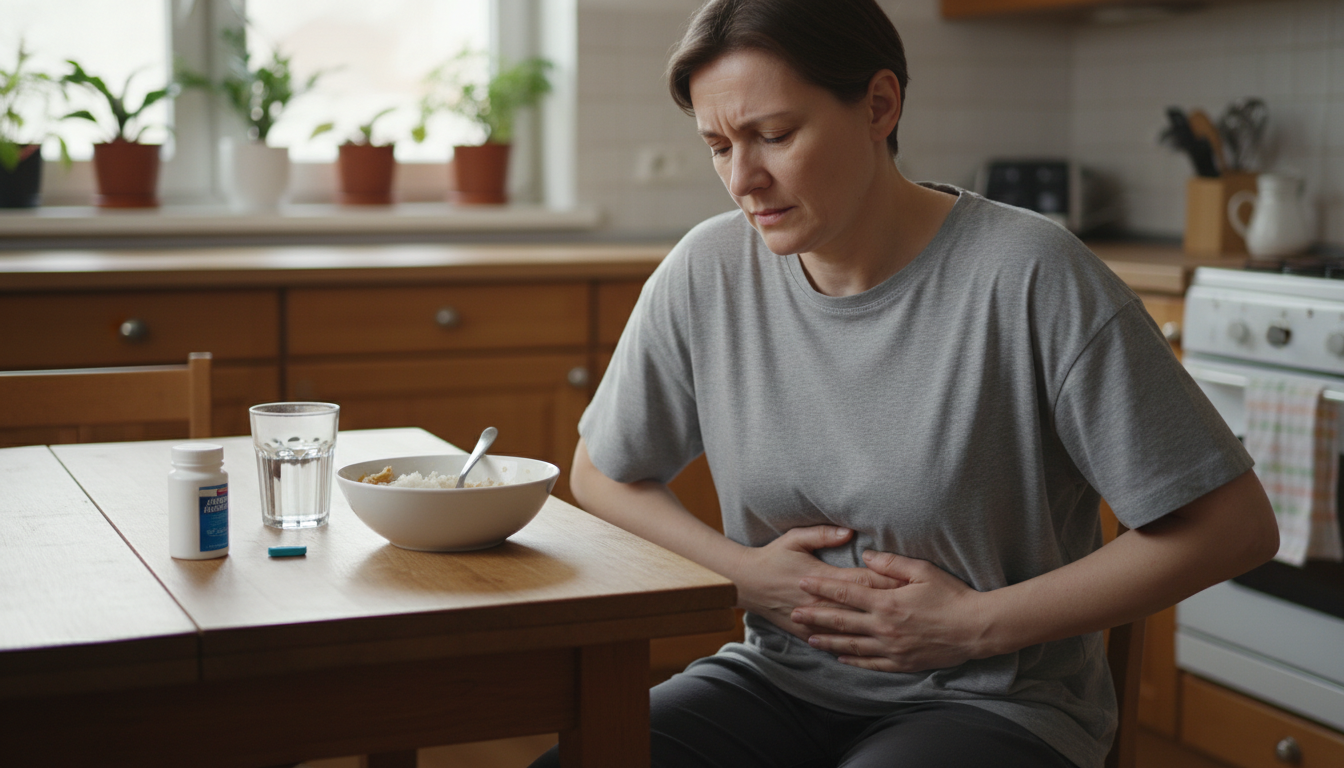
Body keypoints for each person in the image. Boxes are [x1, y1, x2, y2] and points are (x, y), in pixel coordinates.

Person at [530, 0, 1278, 766]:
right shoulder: (708, 270)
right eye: (718, 146)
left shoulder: (1029, 274)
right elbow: (602, 473)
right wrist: (749, 577)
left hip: (994, 703)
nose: (743, 179)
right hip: (777, 679)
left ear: (879, 105)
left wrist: (974, 625)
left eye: (775, 136)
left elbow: (1235, 526)